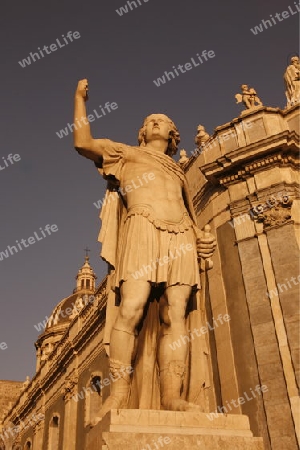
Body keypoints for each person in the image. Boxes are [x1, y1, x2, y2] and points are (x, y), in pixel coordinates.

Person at [73, 79, 216, 419]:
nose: (155, 122)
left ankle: (171, 397)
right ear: (141, 132)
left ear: (172, 135)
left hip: (179, 234)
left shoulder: (178, 171)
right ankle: (119, 393)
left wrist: (199, 236)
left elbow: (187, 209)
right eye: (150, 120)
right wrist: (79, 100)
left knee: (176, 315)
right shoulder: (126, 154)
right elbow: (83, 142)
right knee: (131, 308)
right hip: (142, 227)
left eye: (162, 120)